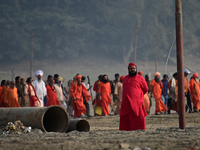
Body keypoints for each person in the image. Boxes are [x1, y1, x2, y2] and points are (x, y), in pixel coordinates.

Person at [120, 63, 148, 131]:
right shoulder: (126, 78)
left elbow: (146, 89)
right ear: (128, 69)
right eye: (131, 68)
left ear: (136, 69)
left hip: (137, 102)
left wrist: (138, 95)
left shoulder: (140, 78)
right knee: (126, 117)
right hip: (126, 102)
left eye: (134, 68)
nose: (132, 70)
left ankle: (140, 129)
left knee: (138, 116)